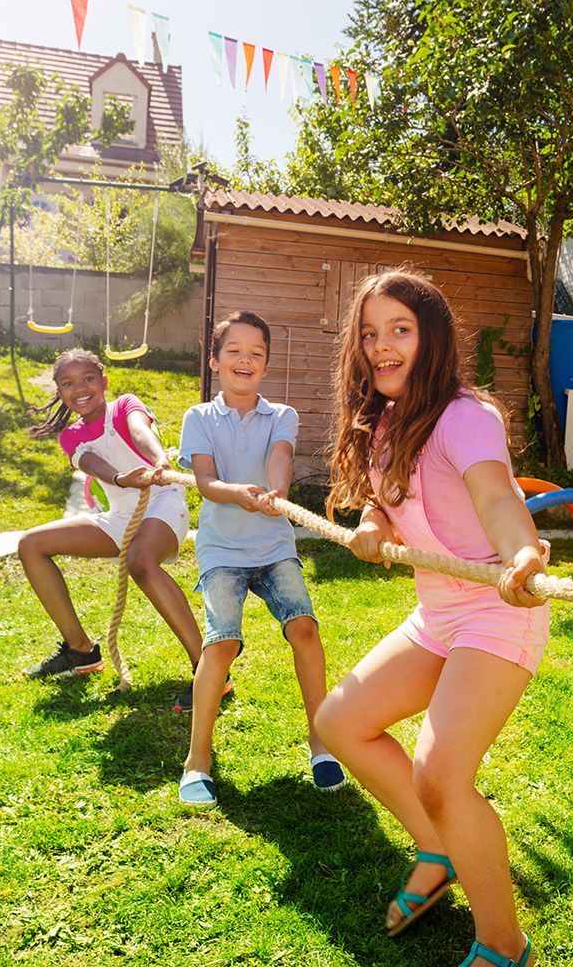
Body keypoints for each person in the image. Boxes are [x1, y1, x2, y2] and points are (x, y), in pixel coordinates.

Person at [314, 271, 546, 967]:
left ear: (432, 336)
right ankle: (437, 848)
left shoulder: (465, 415)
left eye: (400, 330)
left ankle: (504, 946)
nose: (381, 346)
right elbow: (388, 498)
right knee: (339, 724)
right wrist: (369, 519)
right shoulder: (387, 419)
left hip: (496, 613)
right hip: (438, 615)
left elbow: (497, 497)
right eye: (369, 334)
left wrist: (524, 552)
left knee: (440, 772)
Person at [164, 311, 344, 806]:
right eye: (235, 351)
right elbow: (204, 481)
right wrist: (237, 493)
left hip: (272, 545)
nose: (246, 360)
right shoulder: (199, 418)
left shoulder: (281, 414)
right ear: (215, 360)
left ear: (266, 364)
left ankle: (321, 743)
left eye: (256, 353)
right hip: (222, 549)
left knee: (304, 627)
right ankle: (197, 760)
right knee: (220, 645)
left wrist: (277, 490)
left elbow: (280, 457)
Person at [17, 348, 202, 690]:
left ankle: (205, 668)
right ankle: (80, 650)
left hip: (162, 503)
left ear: (103, 382)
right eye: (68, 383)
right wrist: (120, 478)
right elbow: (90, 463)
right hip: (121, 514)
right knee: (31, 544)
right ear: (59, 392)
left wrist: (159, 459)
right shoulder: (70, 435)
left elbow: (140, 432)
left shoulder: (124, 406)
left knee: (141, 562)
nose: (80, 388)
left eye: (88, 379)